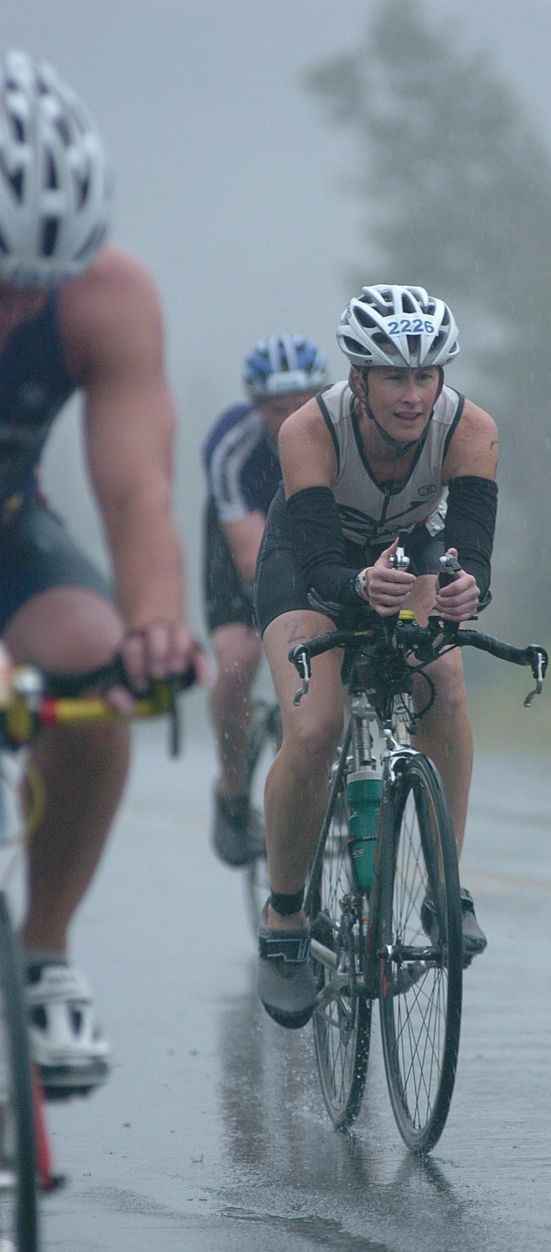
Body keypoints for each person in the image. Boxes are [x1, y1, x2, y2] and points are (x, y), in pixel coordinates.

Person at [0, 50, 207, 1095]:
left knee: (91, 667)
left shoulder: (107, 296)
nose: (10, 311)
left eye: (29, 286)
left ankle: (41, 949)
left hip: (9, 521)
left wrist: (156, 625)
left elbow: (137, 492)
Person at [253, 283, 498, 1028]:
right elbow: (325, 563)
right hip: (308, 566)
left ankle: (443, 888)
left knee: (444, 684)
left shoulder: (471, 428)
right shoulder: (310, 428)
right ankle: (286, 919)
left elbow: (475, 555)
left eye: (426, 375)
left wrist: (464, 591)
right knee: (317, 723)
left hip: (407, 553)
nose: (413, 394)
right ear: (357, 376)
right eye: (394, 375)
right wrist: (359, 585)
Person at [201, 333, 328, 867]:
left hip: (316, 529)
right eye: (281, 409)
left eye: (305, 403)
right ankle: (232, 791)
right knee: (237, 661)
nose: (296, 416)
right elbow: (253, 558)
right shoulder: (232, 445)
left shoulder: (343, 429)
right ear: (256, 408)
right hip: (245, 542)